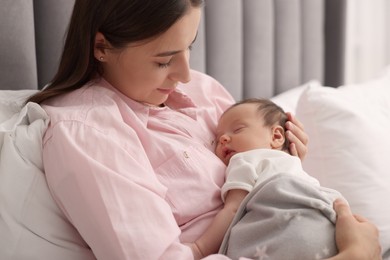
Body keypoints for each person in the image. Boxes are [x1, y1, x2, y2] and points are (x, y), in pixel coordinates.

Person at [24, 0, 381, 259]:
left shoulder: (204, 92)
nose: (185, 75)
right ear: (101, 46)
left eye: (188, 48)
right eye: (163, 60)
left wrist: (282, 160)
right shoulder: (90, 132)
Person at [187, 98, 345, 259]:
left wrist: (200, 248)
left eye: (238, 129)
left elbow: (233, 209)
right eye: (218, 137)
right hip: (323, 234)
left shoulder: (245, 159)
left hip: (289, 236)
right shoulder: (295, 165)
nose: (224, 139)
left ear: (276, 136)